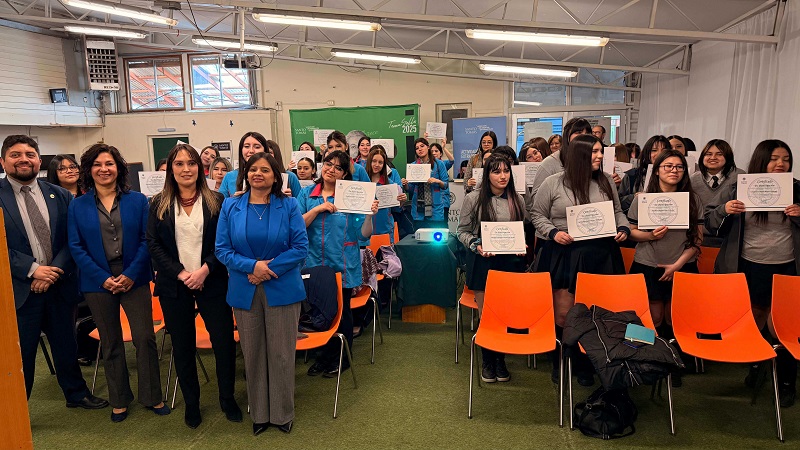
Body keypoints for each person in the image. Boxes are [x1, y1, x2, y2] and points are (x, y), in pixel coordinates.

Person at [0, 135, 108, 410]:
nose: (23, 159)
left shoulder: (59, 195)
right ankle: (17, 408)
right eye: (15, 154)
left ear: (39, 160)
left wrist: (53, 271)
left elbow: (73, 240)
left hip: (59, 286)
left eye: (29, 154)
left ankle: (76, 393)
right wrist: (34, 271)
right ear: (3, 161)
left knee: (66, 344)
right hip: (20, 289)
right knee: (22, 352)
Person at [67, 144, 167, 422]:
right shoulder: (77, 205)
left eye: (109, 163)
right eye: (97, 164)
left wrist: (132, 273)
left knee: (144, 338)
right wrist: (103, 278)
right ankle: (119, 399)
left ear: (118, 168)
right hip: (97, 281)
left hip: (133, 276)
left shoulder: (138, 200)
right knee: (110, 342)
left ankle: (152, 396)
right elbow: (76, 247)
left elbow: (148, 240)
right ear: (89, 170)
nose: (104, 169)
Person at [146, 144, 239, 429]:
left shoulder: (217, 200)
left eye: (192, 163)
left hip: (212, 281)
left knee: (223, 344)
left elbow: (224, 242)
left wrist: (204, 270)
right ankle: (192, 404)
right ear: (171, 169)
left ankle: (227, 399)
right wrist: (181, 273)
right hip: (176, 286)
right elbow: (153, 244)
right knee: (183, 346)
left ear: (201, 168)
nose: (186, 169)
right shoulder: (158, 202)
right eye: (179, 164)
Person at [216, 152, 309, 435]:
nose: (259, 174)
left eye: (265, 170)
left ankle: (282, 414)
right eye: (253, 169)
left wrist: (267, 269)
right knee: (253, 353)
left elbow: (300, 247)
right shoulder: (231, 206)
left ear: (275, 176)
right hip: (245, 288)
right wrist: (252, 266)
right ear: (245, 174)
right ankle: (259, 413)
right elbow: (222, 249)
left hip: (281, 288)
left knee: (281, 354)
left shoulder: (289, 205)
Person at [705, 139, 799, 407]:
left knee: (783, 326)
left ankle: (786, 380)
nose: (780, 164)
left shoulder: (797, 189)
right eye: (774, 159)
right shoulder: (739, 188)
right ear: (760, 161)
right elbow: (710, 222)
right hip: (749, 265)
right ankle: (756, 366)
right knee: (755, 319)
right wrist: (725, 210)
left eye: (786, 159)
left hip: (788, 267)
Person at [531, 134, 629, 386]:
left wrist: (624, 228)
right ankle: (562, 358)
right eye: (595, 152)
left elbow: (618, 211)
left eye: (600, 151)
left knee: (596, 313)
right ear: (580, 155)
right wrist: (553, 232)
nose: (600, 156)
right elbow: (537, 214)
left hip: (602, 255)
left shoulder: (606, 180)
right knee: (564, 315)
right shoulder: (553, 183)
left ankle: (588, 362)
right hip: (565, 253)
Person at [298, 150, 378, 377]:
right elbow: (295, 227)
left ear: (344, 173)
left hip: (342, 264)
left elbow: (363, 235)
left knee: (341, 315)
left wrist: (370, 216)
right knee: (317, 313)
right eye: (328, 164)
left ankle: (341, 359)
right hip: (312, 264)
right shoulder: (306, 195)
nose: (331, 169)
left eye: (338, 167)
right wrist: (317, 209)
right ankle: (323, 358)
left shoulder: (350, 196)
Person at [627, 149, 702, 386]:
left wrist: (678, 265)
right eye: (667, 166)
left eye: (679, 167)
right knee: (649, 317)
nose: (673, 171)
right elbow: (631, 231)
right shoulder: (643, 198)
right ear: (657, 170)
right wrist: (649, 235)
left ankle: (673, 364)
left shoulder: (693, 199)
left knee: (674, 318)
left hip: (682, 265)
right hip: (647, 264)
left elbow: (697, 240)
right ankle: (644, 360)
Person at [458, 154, 527, 383]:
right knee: (488, 315)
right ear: (487, 175)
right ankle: (488, 360)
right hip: (483, 262)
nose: (502, 176)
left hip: (510, 265)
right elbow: (462, 231)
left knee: (505, 315)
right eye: (496, 171)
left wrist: (521, 244)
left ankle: (501, 360)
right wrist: (475, 244)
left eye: (506, 171)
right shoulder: (474, 198)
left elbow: (521, 231)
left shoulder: (517, 199)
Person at [690, 139, 744, 246]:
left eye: (719, 154)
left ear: (728, 156)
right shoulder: (693, 179)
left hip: (730, 239)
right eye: (708, 154)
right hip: (699, 238)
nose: (713, 158)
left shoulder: (740, 176)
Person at [219, 132, 301, 197]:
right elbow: (221, 207)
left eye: (257, 147)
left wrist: (288, 200)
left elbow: (301, 208)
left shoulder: (289, 177)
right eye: (247, 146)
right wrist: (234, 202)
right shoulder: (230, 176)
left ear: (265, 151)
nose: (251, 151)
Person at [529, 118, 592, 198]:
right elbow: (536, 197)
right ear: (567, 135)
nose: (584, 136)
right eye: (578, 132)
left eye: (587, 133)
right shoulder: (550, 162)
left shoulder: (593, 160)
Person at [402, 138, 449, 230]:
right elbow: (410, 189)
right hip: (418, 209)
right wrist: (405, 184)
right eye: (417, 148)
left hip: (435, 206)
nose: (420, 149)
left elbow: (446, 184)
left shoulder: (439, 164)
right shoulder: (413, 166)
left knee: (437, 239)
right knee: (419, 239)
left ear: (428, 147)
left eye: (422, 146)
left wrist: (437, 181)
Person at [618, 135, 672, 213]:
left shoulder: (674, 174)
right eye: (654, 150)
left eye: (664, 150)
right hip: (636, 220)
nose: (659, 154)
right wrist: (634, 197)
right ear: (647, 152)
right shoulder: (632, 175)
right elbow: (618, 203)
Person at [430, 142, 454, 220]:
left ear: (441, 153)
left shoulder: (443, 164)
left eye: (436, 151)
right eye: (431, 151)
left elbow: (452, 160)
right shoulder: (426, 165)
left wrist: (443, 147)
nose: (433, 153)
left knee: (443, 224)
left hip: (443, 199)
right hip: (431, 200)